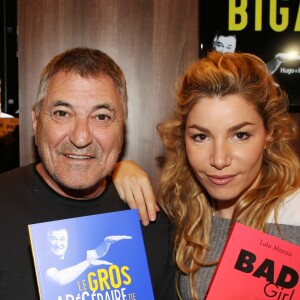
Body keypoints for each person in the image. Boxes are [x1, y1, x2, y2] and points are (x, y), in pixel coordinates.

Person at [113, 51, 300, 299]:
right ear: (183, 139)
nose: (219, 159)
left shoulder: (294, 217)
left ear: (269, 134)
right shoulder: (181, 214)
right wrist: (114, 172)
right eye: (201, 137)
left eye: (240, 135)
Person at [0, 47, 175, 299]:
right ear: (37, 121)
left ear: (122, 127)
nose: (81, 137)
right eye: (62, 113)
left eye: (101, 117)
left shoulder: (151, 221)